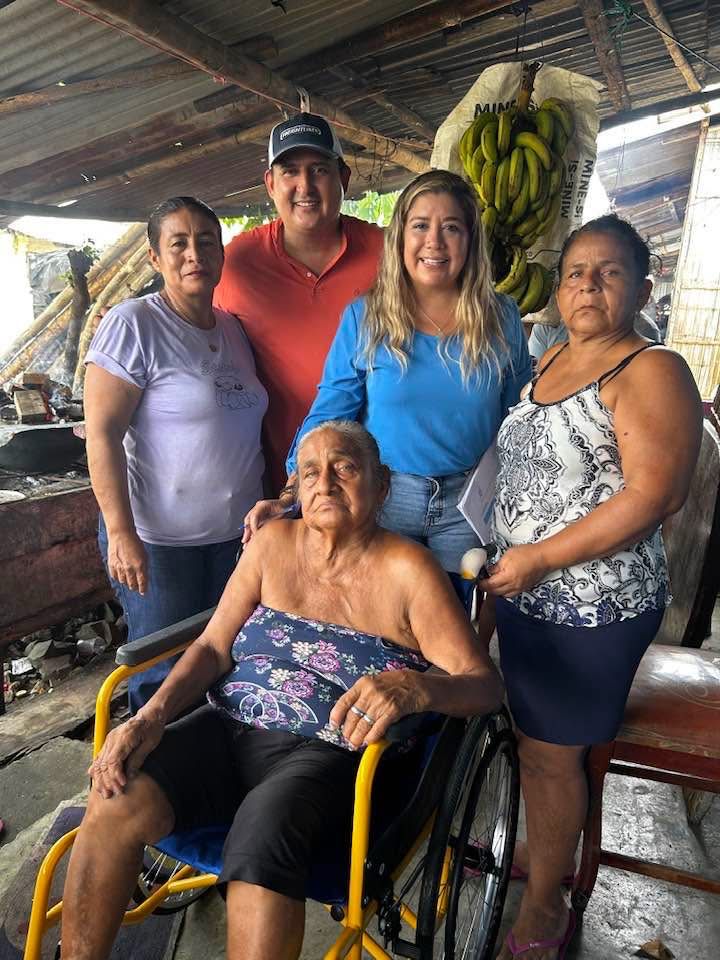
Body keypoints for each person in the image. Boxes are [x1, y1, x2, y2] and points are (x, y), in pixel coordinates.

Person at [59, 421, 503, 960]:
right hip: (229, 727)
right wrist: (149, 717)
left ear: (381, 485)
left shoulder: (411, 572)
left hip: (330, 752)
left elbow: (484, 687)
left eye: (344, 468)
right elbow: (212, 647)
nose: (325, 483)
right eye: (310, 472)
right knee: (117, 795)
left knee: (262, 841)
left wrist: (416, 687)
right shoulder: (271, 545)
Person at [477, 215, 702, 959]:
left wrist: (539, 560)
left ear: (642, 289)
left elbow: (654, 495)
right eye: (576, 271)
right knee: (538, 739)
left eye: (609, 272)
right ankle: (545, 849)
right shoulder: (549, 359)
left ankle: (547, 906)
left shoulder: (651, 369)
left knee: (551, 752)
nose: (588, 285)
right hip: (526, 593)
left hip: (592, 606)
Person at [245, 169, 532, 574]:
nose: (434, 241)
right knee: (382, 610)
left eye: (451, 228)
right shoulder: (366, 317)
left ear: (470, 241)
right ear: (400, 237)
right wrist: (291, 493)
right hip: (383, 497)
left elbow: (517, 421)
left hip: (469, 506)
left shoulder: (501, 317)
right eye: (420, 226)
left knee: (455, 609)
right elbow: (331, 413)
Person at [85, 197, 268, 712]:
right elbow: (101, 434)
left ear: (221, 253)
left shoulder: (232, 329)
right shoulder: (134, 324)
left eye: (206, 242)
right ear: (154, 257)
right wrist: (121, 533)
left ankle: (204, 758)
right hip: (159, 545)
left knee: (222, 662)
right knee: (161, 674)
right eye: (179, 243)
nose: (194, 255)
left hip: (234, 541)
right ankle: (153, 759)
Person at [213, 112, 385, 493]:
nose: (305, 186)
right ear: (270, 184)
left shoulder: (388, 254)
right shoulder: (236, 264)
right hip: (276, 482)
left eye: (319, 170)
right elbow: (190, 325)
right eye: (290, 171)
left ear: (344, 179)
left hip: (376, 484)